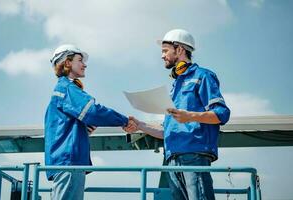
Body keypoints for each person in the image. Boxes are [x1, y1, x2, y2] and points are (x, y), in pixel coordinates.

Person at [125, 29, 230, 200]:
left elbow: (222, 114)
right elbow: (167, 131)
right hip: (172, 157)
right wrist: (140, 125)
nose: (162, 56)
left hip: (194, 154)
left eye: (165, 51)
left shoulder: (203, 76)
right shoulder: (176, 85)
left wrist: (190, 116)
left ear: (180, 49)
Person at [45, 44, 136, 200]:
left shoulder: (62, 90)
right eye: (79, 60)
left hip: (65, 163)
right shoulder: (67, 88)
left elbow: (65, 128)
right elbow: (93, 111)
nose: (84, 64)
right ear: (67, 63)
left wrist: (82, 129)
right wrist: (124, 121)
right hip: (70, 164)